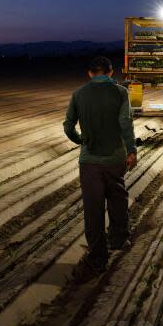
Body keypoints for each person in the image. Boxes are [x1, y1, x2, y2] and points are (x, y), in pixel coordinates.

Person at [63, 56, 136, 273]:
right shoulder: (121, 92)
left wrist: (80, 140)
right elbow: (125, 122)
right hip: (115, 158)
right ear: (111, 72)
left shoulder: (78, 94)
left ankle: (97, 257)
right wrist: (131, 149)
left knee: (93, 209)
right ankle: (118, 239)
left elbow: (68, 126)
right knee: (117, 198)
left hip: (89, 161)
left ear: (89, 73)